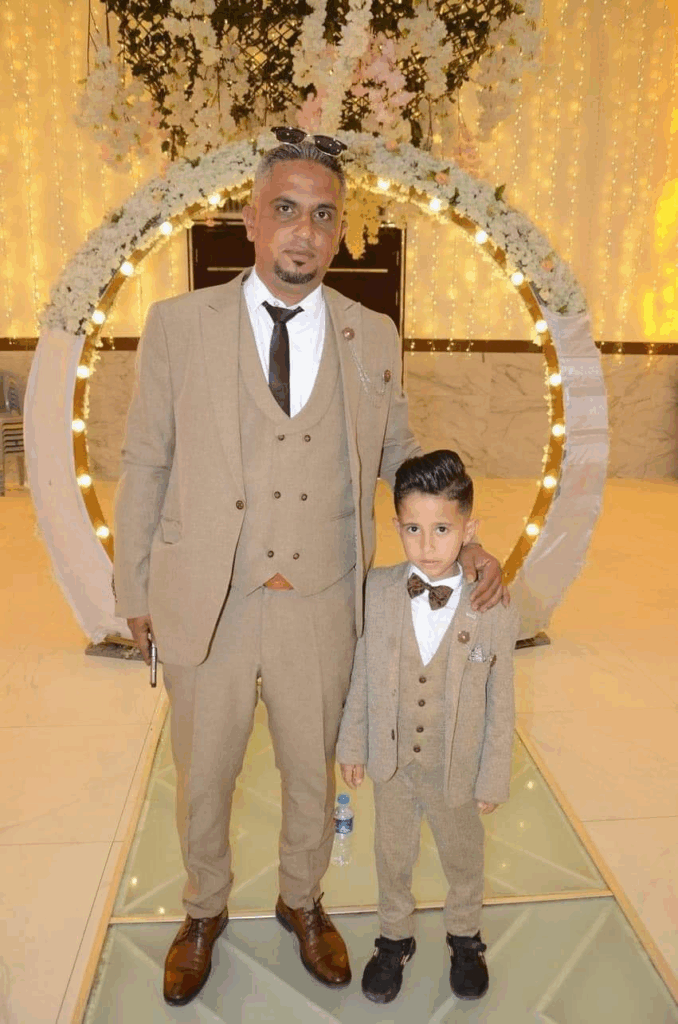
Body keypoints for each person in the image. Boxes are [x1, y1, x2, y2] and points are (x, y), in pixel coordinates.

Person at [113, 130, 508, 1007]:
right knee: (204, 774)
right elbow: (146, 460)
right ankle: (203, 910)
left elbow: (399, 450)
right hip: (208, 595)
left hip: (322, 597)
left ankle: (302, 899)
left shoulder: (373, 335)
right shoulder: (180, 326)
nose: (304, 230)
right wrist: (133, 589)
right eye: (285, 210)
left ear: (339, 231)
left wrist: (464, 538)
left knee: (310, 770)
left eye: (323, 216)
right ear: (251, 221)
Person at [337, 450, 518, 1005]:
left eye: (442, 529)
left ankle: (464, 935)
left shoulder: (493, 606)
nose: (427, 544)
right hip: (392, 763)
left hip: (454, 766)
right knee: (392, 855)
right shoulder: (378, 590)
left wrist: (493, 776)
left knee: (463, 855)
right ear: (397, 527)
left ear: (469, 530)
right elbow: (363, 671)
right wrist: (353, 742)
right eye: (413, 529)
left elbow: (501, 699)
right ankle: (394, 937)